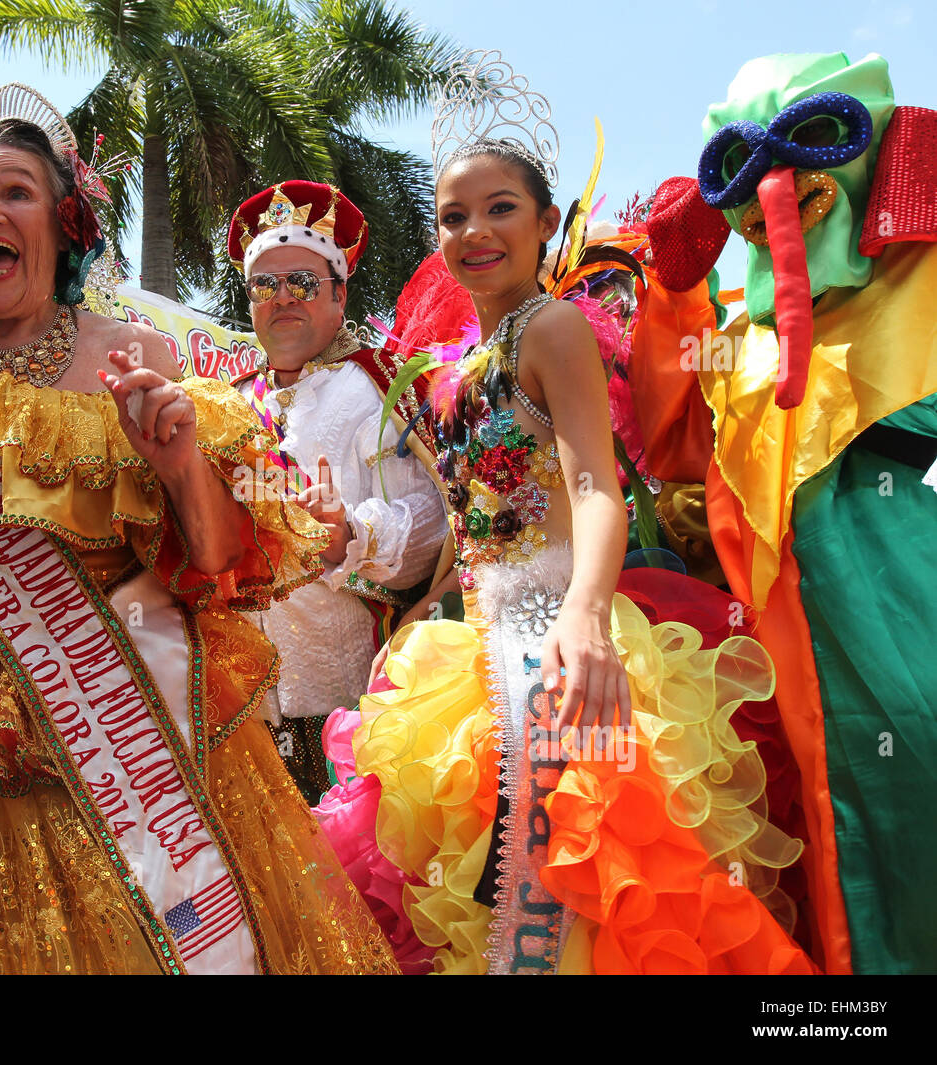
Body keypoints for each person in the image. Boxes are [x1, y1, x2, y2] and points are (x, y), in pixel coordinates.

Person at [0, 84, 398, 975]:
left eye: (14, 191)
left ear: (62, 222)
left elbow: (215, 566)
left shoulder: (139, 359)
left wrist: (177, 466)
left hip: (110, 763)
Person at [315, 54, 812, 975]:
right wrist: (427, 611)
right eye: (453, 215)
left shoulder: (553, 328)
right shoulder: (465, 362)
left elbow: (593, 487)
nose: (475, 230)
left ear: (548, 222)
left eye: (500, 207)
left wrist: (583, 616)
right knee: (483, 887)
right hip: (477, 650)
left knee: (594, 889)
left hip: (555, 638)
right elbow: (478, 525)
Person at [644, 52, 937, 974]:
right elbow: (674, 445)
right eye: (742, 158)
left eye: (817, 138)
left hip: (909, 597)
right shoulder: (739, 345)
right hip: (792, 652)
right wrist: (679, 284)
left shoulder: (923, 288)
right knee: (831, 835)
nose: (782, 179)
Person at [228, 181, 448, 804]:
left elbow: (439, 519)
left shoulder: (378, 386)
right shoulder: (233, 400)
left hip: (347, 704)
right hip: (242, 705)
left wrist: (351, 533)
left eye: (301, 280)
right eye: (264, 285)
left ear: (340, 292)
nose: (282, 299)